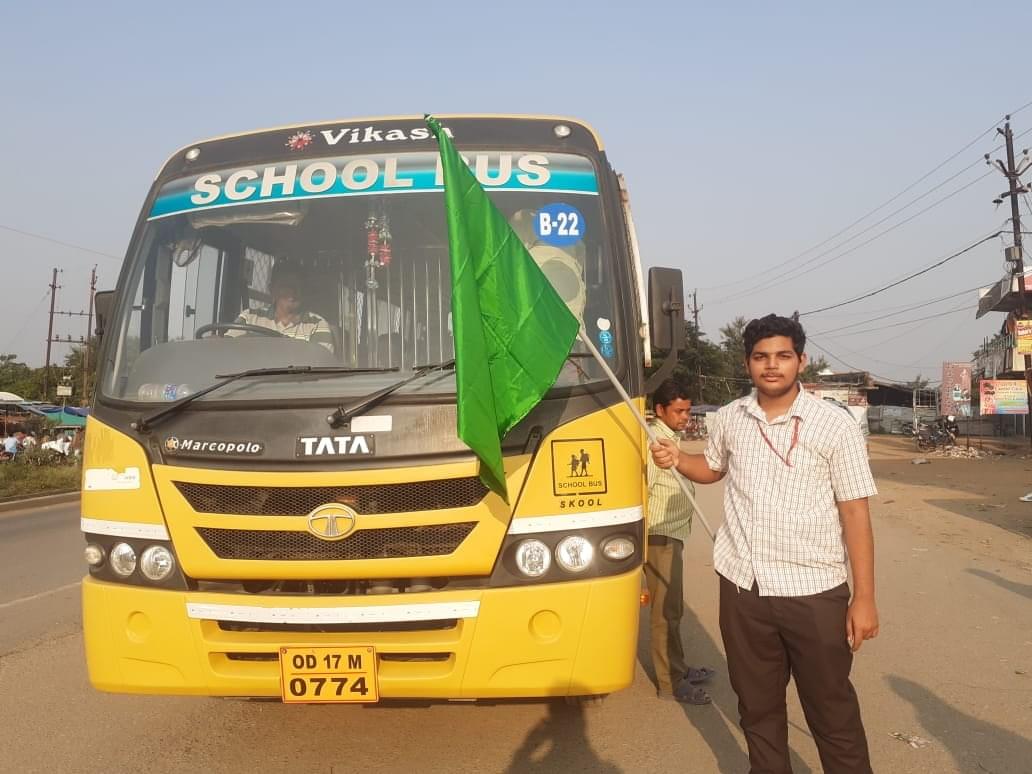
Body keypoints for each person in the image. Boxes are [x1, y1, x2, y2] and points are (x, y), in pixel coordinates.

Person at [651, 314, 878, 774]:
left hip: (814, 593)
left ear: (801, 361)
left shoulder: (834, 425)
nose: (771, 366)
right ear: (747, 362)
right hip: (744, 591)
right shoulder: (731, 418)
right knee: (758, 712)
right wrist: (678, 458)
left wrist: (865, 599)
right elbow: (712, 469)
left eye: (782, 356)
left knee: (832, 713)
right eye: (761, 357)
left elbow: (855, 512)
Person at [645, 378, 716, 704]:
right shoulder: (654, 442)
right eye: (678, 411)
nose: (685, 416)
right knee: (664, 613)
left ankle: (679, 667)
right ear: (660, 409)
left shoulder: (667, 437)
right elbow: (643, 490)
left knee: (672, 610)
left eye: (687, 410)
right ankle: (669, 683)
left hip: (673, 533)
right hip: (659, 535)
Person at [230, 262, 334, 351]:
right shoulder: (249, 318)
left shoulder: (317, 325)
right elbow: (227, 351)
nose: (293, 292)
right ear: (272, 289)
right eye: (287, 286)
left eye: (298, 287)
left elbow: (319, 367)